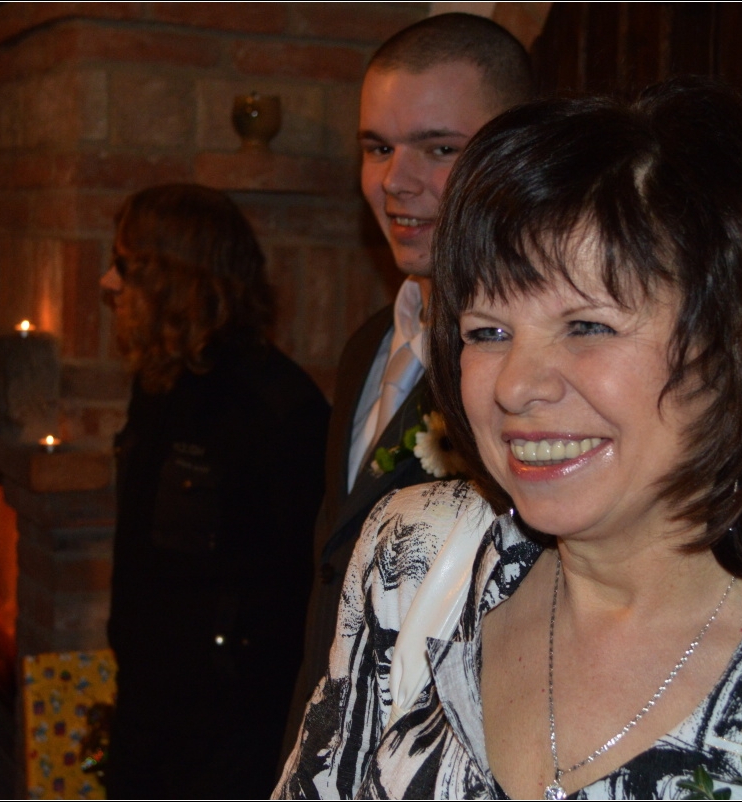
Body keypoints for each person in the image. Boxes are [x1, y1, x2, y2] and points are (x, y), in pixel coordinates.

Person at [275, 81, 742, 800]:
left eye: (587, 326)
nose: (515, 385)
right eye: (488, 332)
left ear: (734, 346)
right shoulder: (412, 563)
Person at [281, 12, 533, 753]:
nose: (396, 180)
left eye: (440, 148)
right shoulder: (369, 344)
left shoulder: (536, 373)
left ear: (515, 153)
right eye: (378, 148)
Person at [102, 184, 329, 798]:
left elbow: (300, 593)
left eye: (123, 265)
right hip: (145, 711)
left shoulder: (279, 408)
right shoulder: (158, 383)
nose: (108, 282)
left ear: (173, 275)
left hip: (228, 742)